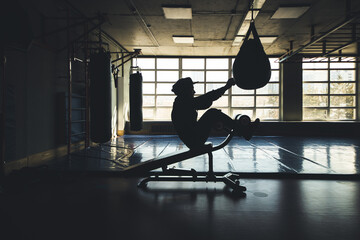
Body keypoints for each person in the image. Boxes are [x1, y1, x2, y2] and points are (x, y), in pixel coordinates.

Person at [171, 77, 259, 150]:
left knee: (212, 113)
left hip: (193, 139)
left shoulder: (181, 102)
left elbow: (205, 101)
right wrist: (226, 87)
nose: (194, 92)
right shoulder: (183, 102)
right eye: (192, 89)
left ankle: (243, 131)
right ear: (185, 90)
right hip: (194, 141)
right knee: (212, 113)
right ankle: (244, 131)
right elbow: (208, 97)